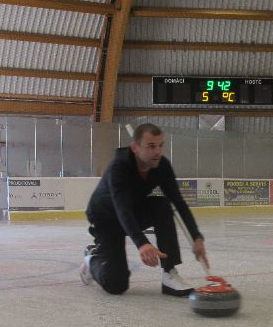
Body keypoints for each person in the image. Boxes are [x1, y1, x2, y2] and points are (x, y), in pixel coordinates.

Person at [80, 123, 207, 297]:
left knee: (162, 205)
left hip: (133, 211)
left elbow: (178, 202)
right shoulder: (119, 166)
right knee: (116, 284)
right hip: (106, 218)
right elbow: (122, 208)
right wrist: (142, 243)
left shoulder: (162, 166)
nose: (158, 152)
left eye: (160, 145)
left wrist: (196, 237)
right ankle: (92, 259)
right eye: (151, 146)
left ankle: (169, 272)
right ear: (135, 147)